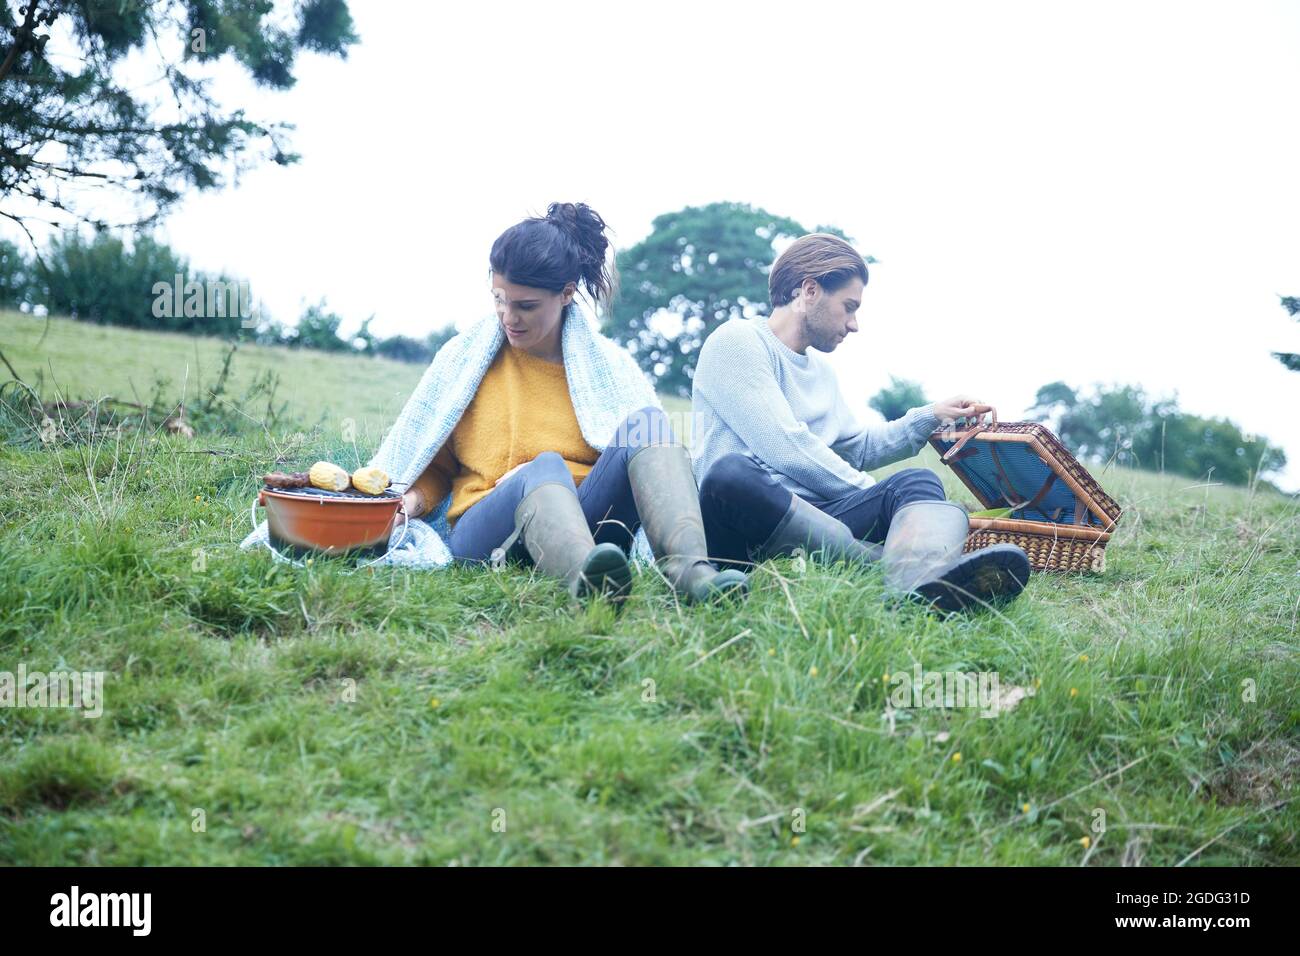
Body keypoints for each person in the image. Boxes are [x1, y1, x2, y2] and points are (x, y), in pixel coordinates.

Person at [394, 202, 749, 605]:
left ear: (565, 294)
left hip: (592, 523)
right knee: (543, 466)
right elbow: (434, 465)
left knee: (648, 423)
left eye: (525, 306)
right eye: (499, 299)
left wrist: (559, 476)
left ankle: (692, 573)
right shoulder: (465, 361)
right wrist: (409, 502)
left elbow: (636, 472)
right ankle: (590, 582)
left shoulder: (610, 367)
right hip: (486, 530)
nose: (508, 316)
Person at [690, 233, 1030, 612]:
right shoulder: (737, 342)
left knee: (918, 481)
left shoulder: (821, 371)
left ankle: (916, 588)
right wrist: (869, 492)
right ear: (810, 291)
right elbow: (788, 450)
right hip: (742, 519)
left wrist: (928, 417)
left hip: (819, 520)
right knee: (731, 473)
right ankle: (883, 566)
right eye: (849, 306)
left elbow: (857, 447)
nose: (854, 324)